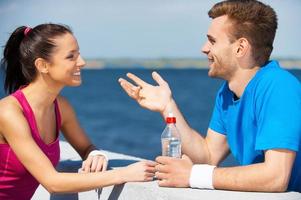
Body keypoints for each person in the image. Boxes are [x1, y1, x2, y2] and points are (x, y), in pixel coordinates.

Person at [118, 0, 301, 192]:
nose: (204, 48)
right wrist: (167, 107)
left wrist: (193, 175)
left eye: (212, 41)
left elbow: (276, 176)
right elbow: (208, 156)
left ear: (240, 48)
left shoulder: (278, 86)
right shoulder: (227, 93)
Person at [0, 23, 156, 200]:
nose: (82, 62)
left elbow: (85, 147)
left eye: (79, 54)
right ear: (42, 65)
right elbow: (52, 182)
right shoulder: (9, 113)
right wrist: (123, 174)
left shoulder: (60, 106)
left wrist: (94, 154)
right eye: (70, 57)